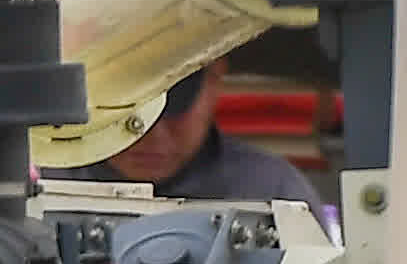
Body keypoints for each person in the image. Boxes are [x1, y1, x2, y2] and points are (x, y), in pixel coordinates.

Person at [84, 66, 319, 204]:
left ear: (216, 76)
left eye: (174, 111)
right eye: (127, 116)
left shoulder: (275, 192)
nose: (153, 135)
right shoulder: (47, 182)